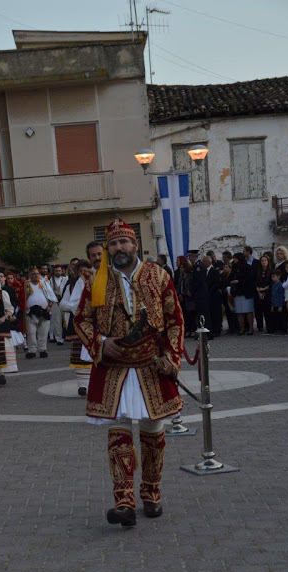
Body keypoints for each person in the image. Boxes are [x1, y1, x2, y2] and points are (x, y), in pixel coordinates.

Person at [74, 218, 184, 527]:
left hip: (151, 365)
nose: (119, 247)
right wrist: (100, 343)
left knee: (153, 428)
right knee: (118, 433)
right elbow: (81, 320)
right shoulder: (97, 281)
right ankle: (123, 500)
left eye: (124, 242)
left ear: (135, 244)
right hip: (114, 368)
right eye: (113, 243)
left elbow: (175, 319)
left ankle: (151, 493)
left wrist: (171, 357)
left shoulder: (158, 276)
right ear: (107, 249)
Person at [60, 260, 93, 395]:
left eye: (86, 271)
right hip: (78, 325)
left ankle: (92, 383)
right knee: (78, 355)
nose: (84, 274)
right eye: (81, 271)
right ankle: (82, 385)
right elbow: (62, 304)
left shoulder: (96, 282)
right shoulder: (71, 286)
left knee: (93, 353)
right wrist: (77, 307)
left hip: (94, 324)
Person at [25, 266, 57, 359]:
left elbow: (52, 296)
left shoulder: (44, 283)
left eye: (37, 274)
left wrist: (50, 306)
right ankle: (32, 351)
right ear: (29, 275)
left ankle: (42, 350)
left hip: (44, 311)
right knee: (31, 333)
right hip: (30, 312)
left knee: (43, 332)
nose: (35, 275)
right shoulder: (25, 284)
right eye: (33, 274)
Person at [230, 253, 255, 335]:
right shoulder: (234, 267)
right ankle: (242, 329)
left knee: (248, 311)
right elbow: (231, 277)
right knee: (239, 312)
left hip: (246, 292)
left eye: (235, 258)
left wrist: (239, 281)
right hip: (237, 292)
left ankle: (251, 328)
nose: (234, 260)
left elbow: (250, 279)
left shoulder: (247, 267)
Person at [187, 249, 211, 335]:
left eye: (189, 257)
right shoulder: (195, 266)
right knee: (199, 313)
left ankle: (206, 332)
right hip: (198, 294)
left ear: (194, 256)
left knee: (203, 313)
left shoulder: (198, 266)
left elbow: (198, 281)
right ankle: (202, 331)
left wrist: (191, 290)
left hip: (201, 294)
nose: (189, 259)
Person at [203, 256, 222, 337]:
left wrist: (209, 292)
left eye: (204, 262)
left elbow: (216, 283)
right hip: (207, 296)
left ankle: (217, 330)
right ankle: (211, 329)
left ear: (208, 262)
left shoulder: (214, 271)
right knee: (209, 313)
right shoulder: (203, 271)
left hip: (214, 296)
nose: (202, 264)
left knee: (216, 313)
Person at [49, 264, 68, 345]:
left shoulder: (65, 279)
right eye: (56, 271)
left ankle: (66, 336)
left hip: (64, 301)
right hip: (55, 302)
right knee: (57, 321)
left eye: (59, 271)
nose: (58, 272)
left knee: (66, 320)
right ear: (54, 271)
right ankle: (59, 339)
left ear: (62, 271)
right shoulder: (50, 281)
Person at [177, 261, 196, 337]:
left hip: (188, 297)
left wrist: (183, 293)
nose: (180, 269)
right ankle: (187, 330)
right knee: (185, 315)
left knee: (191, 314)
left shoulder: (190, 276)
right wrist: (179, 294)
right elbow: (179, 286)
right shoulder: (181, 276)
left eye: (182, 267)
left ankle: (193, 330)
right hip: (182, 298)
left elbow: (189, 287)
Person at [255, 255, 273, 334]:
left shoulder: (271, 271)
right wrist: (258, 291)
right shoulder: (258, 271)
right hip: (259, 293)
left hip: (268, 293)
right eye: (262, 260)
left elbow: (271, 283)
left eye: (265, 260)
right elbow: (255, 282)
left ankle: (269, 328)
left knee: (267, 312)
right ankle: (260, 327)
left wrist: (264, 289)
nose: (264, 262)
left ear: (268, 261)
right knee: (258, 311)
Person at [270, 269, 287, 334]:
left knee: (281, 318)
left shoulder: (280, 285)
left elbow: (281, 296)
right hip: (274, 304)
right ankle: (276, 329)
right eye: (272, 277)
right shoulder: (273, 285)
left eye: (274, 276)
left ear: (278, 276)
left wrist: (281, 305)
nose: (272, 278)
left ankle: (282, 329)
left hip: (279, 304)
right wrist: (272, 305)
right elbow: (272, 295)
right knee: (276, 318)